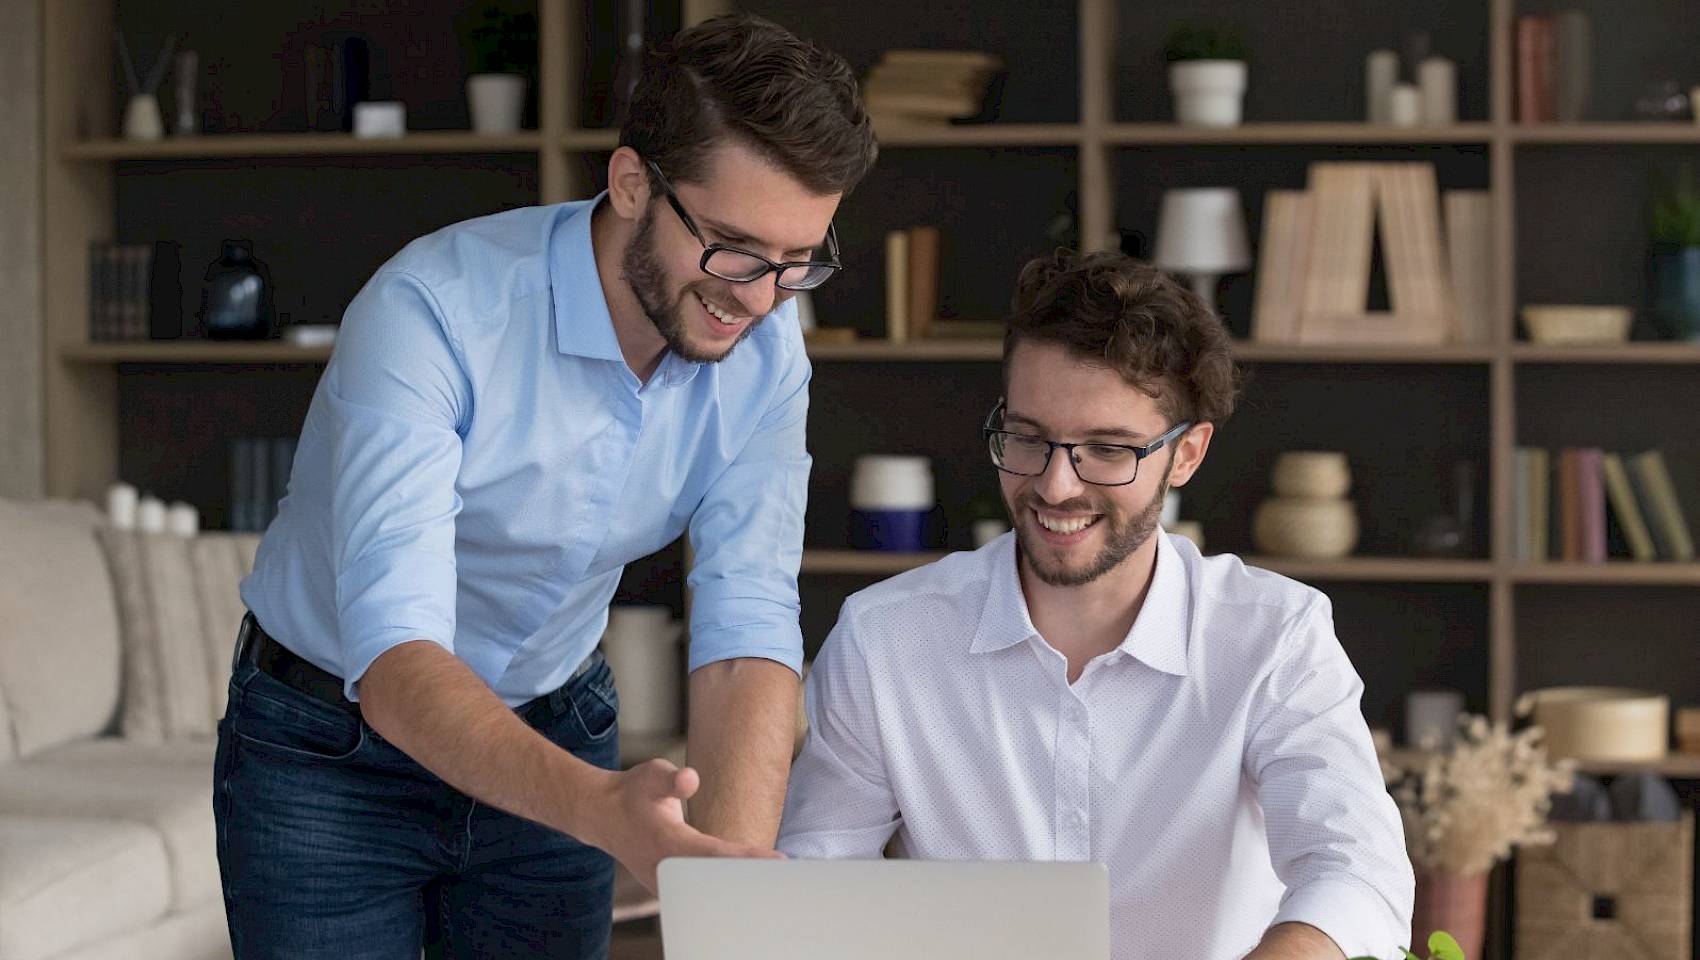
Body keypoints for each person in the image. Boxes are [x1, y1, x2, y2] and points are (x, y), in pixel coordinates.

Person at [216, 14, 876, 959]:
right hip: (331, 746)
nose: (761, 297)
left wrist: (727, 904)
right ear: (632, 183)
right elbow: (398, 666)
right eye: (733, 248)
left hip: (557, 717)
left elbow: (746, 628)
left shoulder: (766, 345)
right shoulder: (432, 315)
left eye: (797, 261)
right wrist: (608, 811)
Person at [778, 251, 1414, 960]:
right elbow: (819, 879)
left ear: (1188, 454)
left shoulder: (1275, 637)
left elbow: (1356, 870)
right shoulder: (885, 639)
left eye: (1108, 450)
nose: (1054, 487)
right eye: (1026, 437)